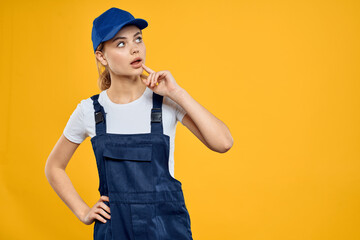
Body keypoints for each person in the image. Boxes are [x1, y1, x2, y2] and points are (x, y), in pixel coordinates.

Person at [45, 7, 233, 240]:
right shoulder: (90, 111)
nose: (135, 48)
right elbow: (53, 167)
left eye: (138, 39)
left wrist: (178, 93)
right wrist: (83, 211)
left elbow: (223, 142)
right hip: (115, 231)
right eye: (121, 44)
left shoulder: (165, 101)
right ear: (102, 56)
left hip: (167, 230)